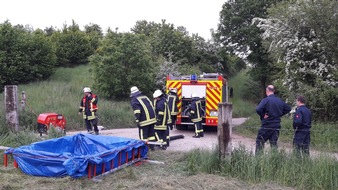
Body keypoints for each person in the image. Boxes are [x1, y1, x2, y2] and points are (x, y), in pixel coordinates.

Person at [255, 85, 291, 153]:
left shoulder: (266, 100)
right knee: (274, 144)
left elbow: (258, 109)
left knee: (259, 142)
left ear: (267, 91)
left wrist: (263, 115)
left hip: (267, 125)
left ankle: (258, 158)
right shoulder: (279, 100)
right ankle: (274, 159)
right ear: (274, 91)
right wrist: (279, 114)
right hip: (276, 125)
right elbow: (288, 108)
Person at [130, 86, 157, 150]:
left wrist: (137, 120)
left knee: (143, 136)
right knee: (151, 135)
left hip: (144, 121)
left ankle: (143, 150)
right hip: (152, 119)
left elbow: (137, 111)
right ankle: (152, 148)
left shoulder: (134, 100)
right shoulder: (145, 97)